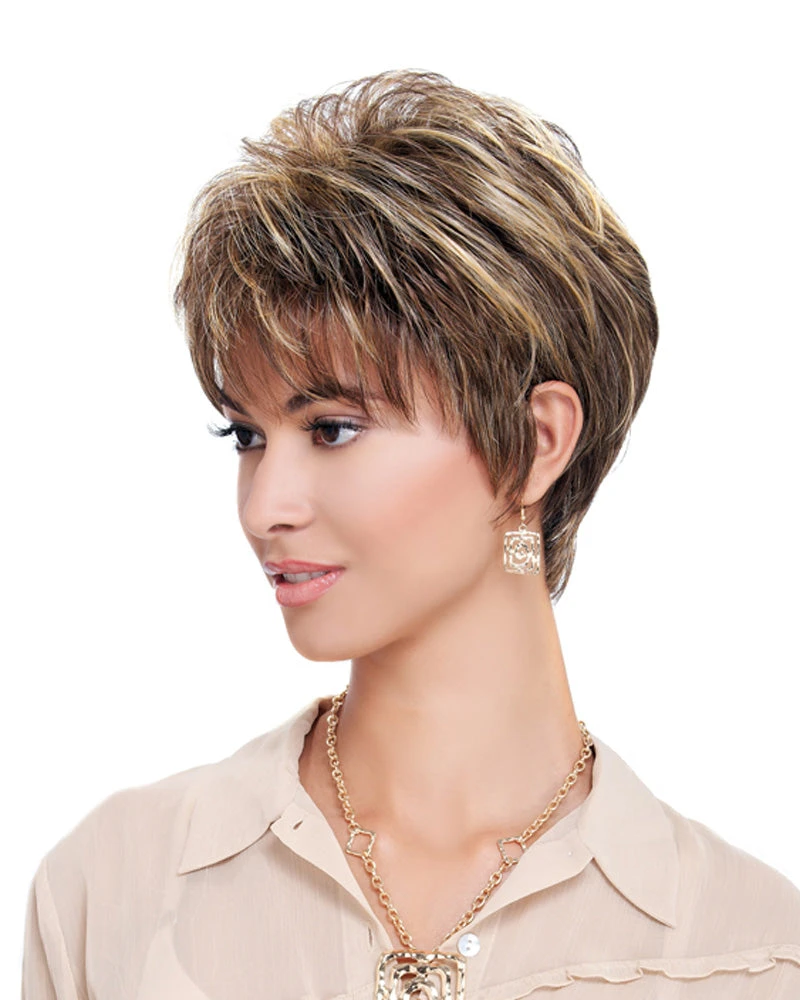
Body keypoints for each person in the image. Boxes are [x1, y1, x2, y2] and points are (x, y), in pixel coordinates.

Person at [22, 69, 800, 1000]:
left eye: (332, 430)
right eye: (247, 436)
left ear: (535, 443)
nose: (264, 507)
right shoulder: (114, 889)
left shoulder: (752, 953)